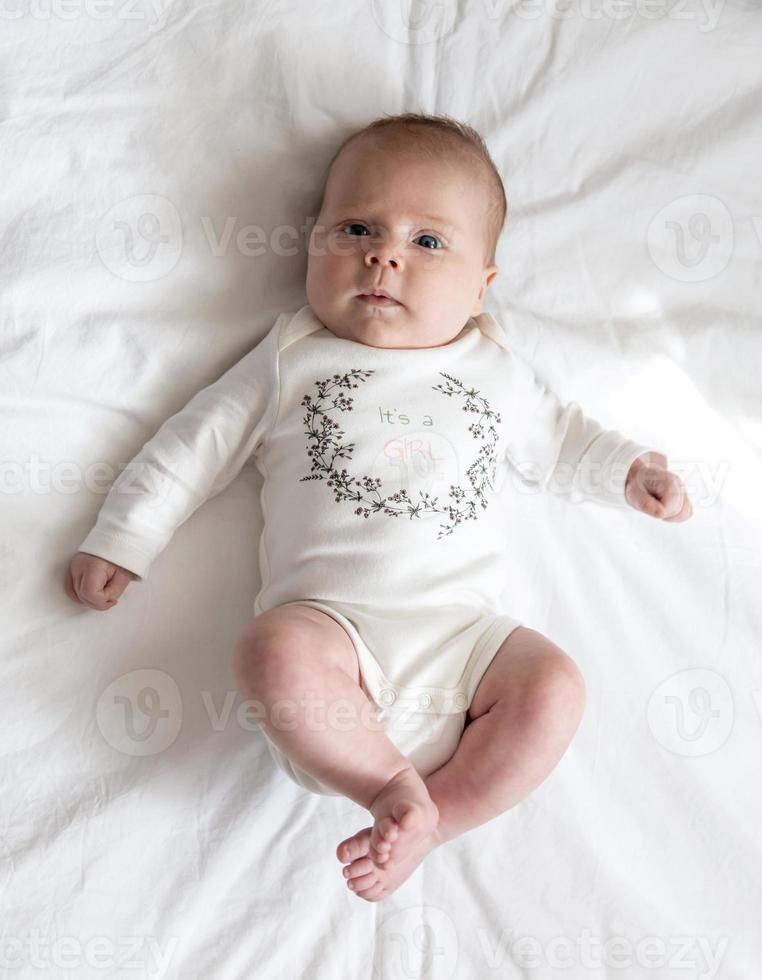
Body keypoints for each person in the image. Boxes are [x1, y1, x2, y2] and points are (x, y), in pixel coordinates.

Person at [66, 112, 693, 902]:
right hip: (334, 642)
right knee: (270, 650)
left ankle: (437, 818)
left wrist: (631, 472)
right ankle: (388, 787)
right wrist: (125, 536)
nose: (385, 254)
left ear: (482, 286)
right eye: (356, 227)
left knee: (556, 686)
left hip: (469, 645)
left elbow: (563, 441)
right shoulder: (292, 356)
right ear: (312, 242)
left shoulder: (494, 368)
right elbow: (195, 446)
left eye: (429, 242)